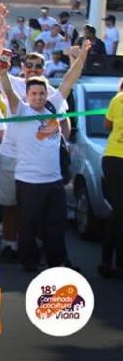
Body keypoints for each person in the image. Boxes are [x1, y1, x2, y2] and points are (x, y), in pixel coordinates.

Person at [0, 40, 89, 272]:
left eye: (41, 93)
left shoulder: (53, 105)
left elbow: (70, 79)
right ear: (27, 95)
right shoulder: (20, 110)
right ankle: (28, 261)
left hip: (53, 180)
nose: (39, 97)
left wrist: (82, 56)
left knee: (55, 224)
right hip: (29, 181)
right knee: (27, 224)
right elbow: (7, 87)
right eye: (34, 93)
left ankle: (57, 261)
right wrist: (3, 68)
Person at [100, 79, 123, 279]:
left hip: (111, 158)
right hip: (117, 159)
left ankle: (107, 261)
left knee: (118, 211)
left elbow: (107, 124)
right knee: (119, 212)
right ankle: (111, 262)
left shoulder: (118, 98)